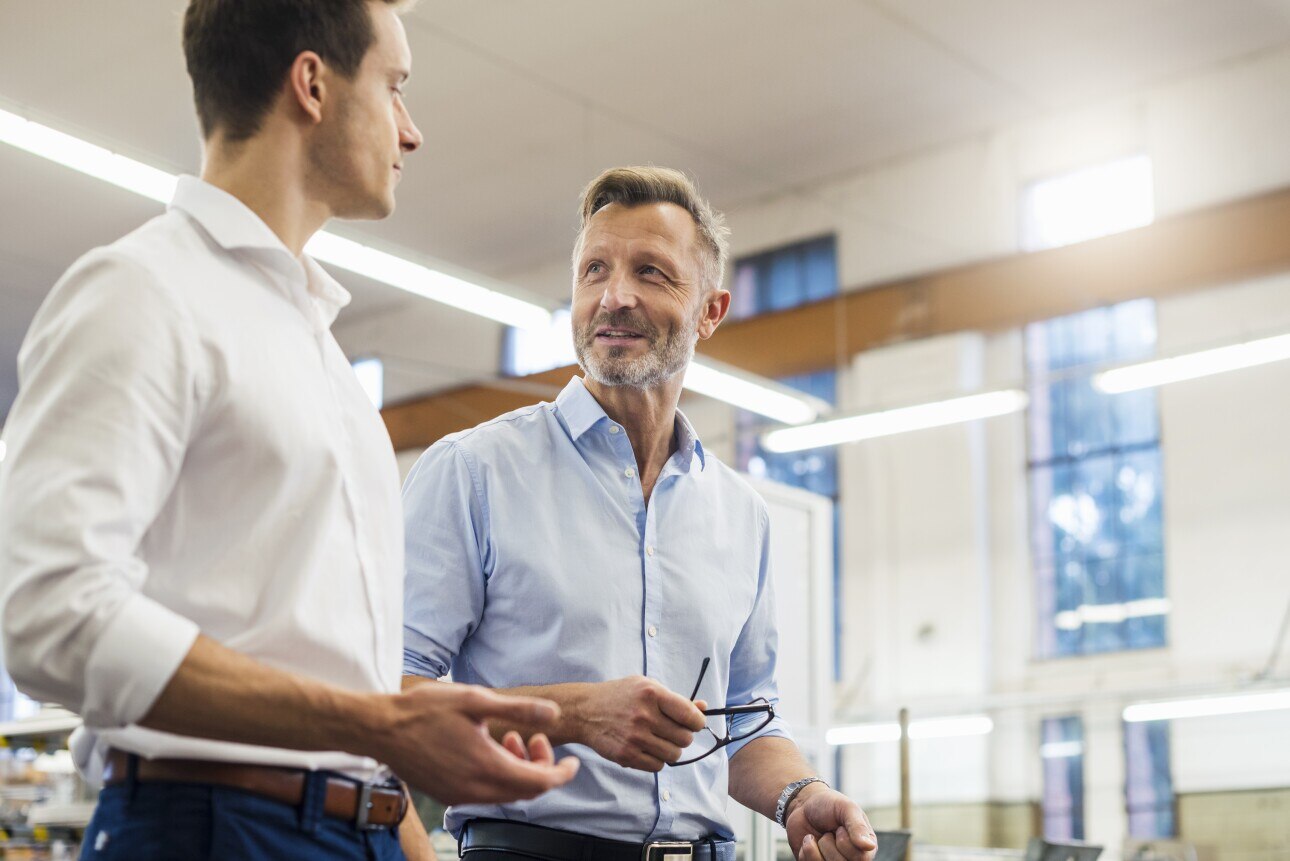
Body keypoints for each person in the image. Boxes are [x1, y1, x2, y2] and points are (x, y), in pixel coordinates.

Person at [0, 2, 577, 859]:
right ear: (312, 84)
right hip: (212, 827)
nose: (410, 132)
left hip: (360, 828)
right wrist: (381, 720)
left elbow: (349, 700)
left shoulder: (320, 353)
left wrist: (394, 785)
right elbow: (49, 613)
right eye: (394, 88)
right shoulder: (141, 292)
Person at [401, 166, 876, 861]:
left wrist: (801, 796)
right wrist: (575, 714)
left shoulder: (742, 514)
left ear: (711, 311)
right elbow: (391, 692)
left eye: (651, 272)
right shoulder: (474, 471)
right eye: (594, 269)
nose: (614, 296)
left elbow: (743, 726)